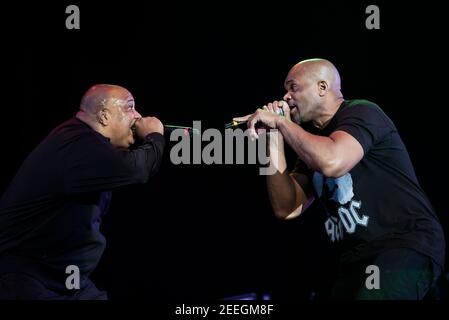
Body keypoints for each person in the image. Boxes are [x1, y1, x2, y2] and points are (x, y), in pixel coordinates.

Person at [237, 58, 445, 299]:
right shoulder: (312, 146)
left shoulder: (362, 112)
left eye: (293, 87)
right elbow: (286, 207)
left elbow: (332, 161)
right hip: (355, 261)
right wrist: (273, 138)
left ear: (322, 87)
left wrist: (282, 122)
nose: (285, 97)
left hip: (402, 246)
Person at [0, 84, 165, 299]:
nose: (137, 116)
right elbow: (137, 169)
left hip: (66, 277)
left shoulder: (86, 145)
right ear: (104, 116)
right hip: (27, 276)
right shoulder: (78, 143)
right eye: (129, 108)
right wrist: (155, 136)